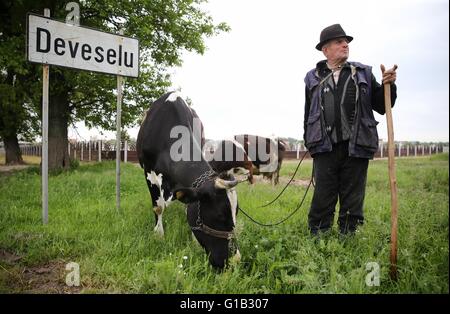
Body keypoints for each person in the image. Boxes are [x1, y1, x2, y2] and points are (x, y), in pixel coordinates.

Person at [303, 24, 397, 235]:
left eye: (346, 41)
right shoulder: (313, 77)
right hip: (324, 147)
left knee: (352, 197)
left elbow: (382, 106)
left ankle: (348, 237)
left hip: (357, 145)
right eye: (339, 41)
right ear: (325, 49)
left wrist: (388, 86)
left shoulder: (363, 72)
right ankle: (319, 236)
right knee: (323, 195)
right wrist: (310, 142)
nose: (345, 45)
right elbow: (308, 113)